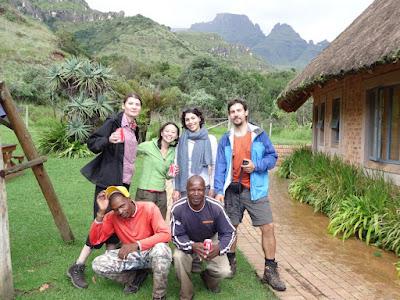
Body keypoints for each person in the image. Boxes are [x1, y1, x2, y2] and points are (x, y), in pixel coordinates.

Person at [67, 92, 142, 289]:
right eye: (131, 103)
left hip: (123, 184)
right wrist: (109, 139)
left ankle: (110, 264)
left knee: (117, 222)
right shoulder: (114, 122)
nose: (134, 107)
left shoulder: (135, 127)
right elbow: (92, 144)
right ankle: (77, 265)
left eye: (137, 104)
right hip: (109, 183)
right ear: (124, 105)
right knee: (101, 223)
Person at [214, 98, 286, 291]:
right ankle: (231, 263)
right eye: (232, 111)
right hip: (232, 191)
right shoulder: (225, 138)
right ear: (229, 115)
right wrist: (219, 190)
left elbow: (272, 157)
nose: (236, 114)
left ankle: (270, 270)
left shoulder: (259, 134)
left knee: (268, 227)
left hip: (256, 190)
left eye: (239, 110)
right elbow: (220, 166)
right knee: (231, 228)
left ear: (246, 112)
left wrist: (257, 166)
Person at [89, 186, 172, 300]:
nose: (120, 211)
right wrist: (101, 212)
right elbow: (95, 240)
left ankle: (159, 295)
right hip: (131, 255)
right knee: (98, 264)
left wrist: (137, 245)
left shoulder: (149, 208)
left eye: (122, 206)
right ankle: (135, 277)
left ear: (129, 198)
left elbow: (165, 234)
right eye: (116, 209)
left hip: (151, 252)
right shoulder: (112, 217)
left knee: (162, 249)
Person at [171, 175, 235, 300]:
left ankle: (208, 277)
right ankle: (186, 293)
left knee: (224, 271)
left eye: (200, 190)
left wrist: (219, 248)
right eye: (192, 190)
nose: (196, 193)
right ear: (187, 190)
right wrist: (192, 246)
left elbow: (229, 232)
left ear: (205, 191)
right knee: (178, 257)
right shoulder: (178, 208)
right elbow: (176, 236)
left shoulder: (216, 207)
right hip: (188, 241)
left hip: (211, 239)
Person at [172, 107, 218, 273]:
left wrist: (212, 187)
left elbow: (213, 165)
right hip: (185, 186)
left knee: (202, 222)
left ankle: (199, 258)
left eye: (193, 118)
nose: (190, 122)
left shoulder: (210, 139)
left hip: (202, 186)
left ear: (200, 118)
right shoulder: (182, 140)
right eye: (187, 120)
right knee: (186, 221)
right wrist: (176, 187)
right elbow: (176, 163)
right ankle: (188, 254)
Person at [135, 122, 180, 219]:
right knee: (144, 222)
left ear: (176, 136)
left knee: (159, 222)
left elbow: (167, 175)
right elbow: (131, 151)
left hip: (161, 193)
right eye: (167, 131)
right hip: (146, 191)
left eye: (173, 132)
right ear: (162, 133)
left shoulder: (173, 151)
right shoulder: (149, 145)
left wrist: (171, 174)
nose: (169, 134)